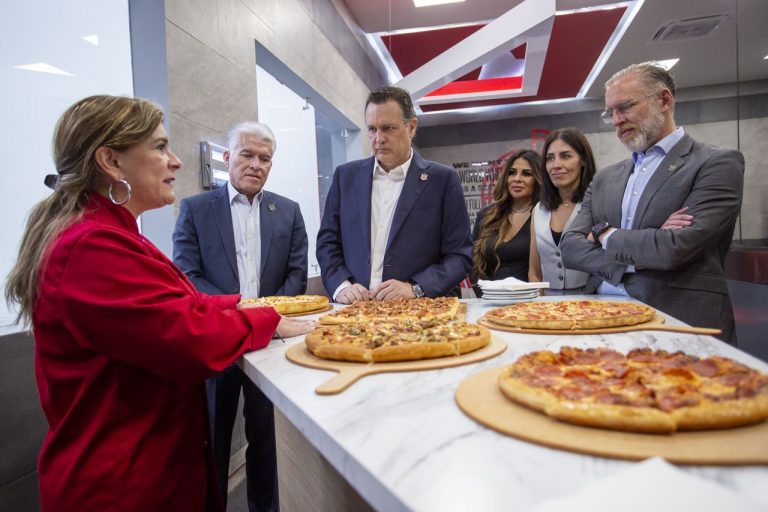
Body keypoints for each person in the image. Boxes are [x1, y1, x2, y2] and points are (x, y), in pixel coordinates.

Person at [3, 95, 314, 512]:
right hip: (121, 485)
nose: (176, 161)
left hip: (145, 470)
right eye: (160, 147)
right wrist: (264, 319)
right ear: (111, 162)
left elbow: (177, 303)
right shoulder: (91, 246)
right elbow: (186, 335)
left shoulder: (111, 234)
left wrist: (240, 306)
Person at [173, 121, 308, 512]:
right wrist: (241, 312)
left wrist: (270, 316)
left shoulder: (287, 211)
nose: (256, 165)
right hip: (217, 342)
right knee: (213, 440)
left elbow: (296, 275)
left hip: (270, 344)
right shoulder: (196, 209)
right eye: (247, 155)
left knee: (266, 442)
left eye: (265, 158)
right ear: (227, 157)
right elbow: (188, 276)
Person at [560, 62, 744, 343]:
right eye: (610, 113)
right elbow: (570, 248)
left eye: (625, 107)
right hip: (599, 317)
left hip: (678, 321)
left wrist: (603, 234)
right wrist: (644, 250)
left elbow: (675, 249)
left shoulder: (716, 163)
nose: (617, 120)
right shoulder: (605, 178)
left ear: (664, 100)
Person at [316, 86, 472, 303]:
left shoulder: (442, 180)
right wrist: (341, 286)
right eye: (372, 129)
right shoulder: (345, 177)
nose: (378, 138)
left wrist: (416, 288)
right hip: (355, 311)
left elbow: (460, 256)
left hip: (420, 311)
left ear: (412, 127)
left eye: (388, 128)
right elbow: (327, 244)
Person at [529, 128, 596, 294]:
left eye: (565, 156)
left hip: (592, 299)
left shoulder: (597, 205)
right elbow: (534, 272)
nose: (556, 165)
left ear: (583, 160)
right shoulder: (539, 210)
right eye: (550, 158)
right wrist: (541, 303)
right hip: (548, 302)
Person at [472, 149, 541, 288]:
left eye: (527, 174)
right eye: (512, 172)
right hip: (488, 298)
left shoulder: (544, 216)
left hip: (530, 298)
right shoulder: (486, 215)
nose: (517, 179)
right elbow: (472, 263)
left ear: (538, 179)